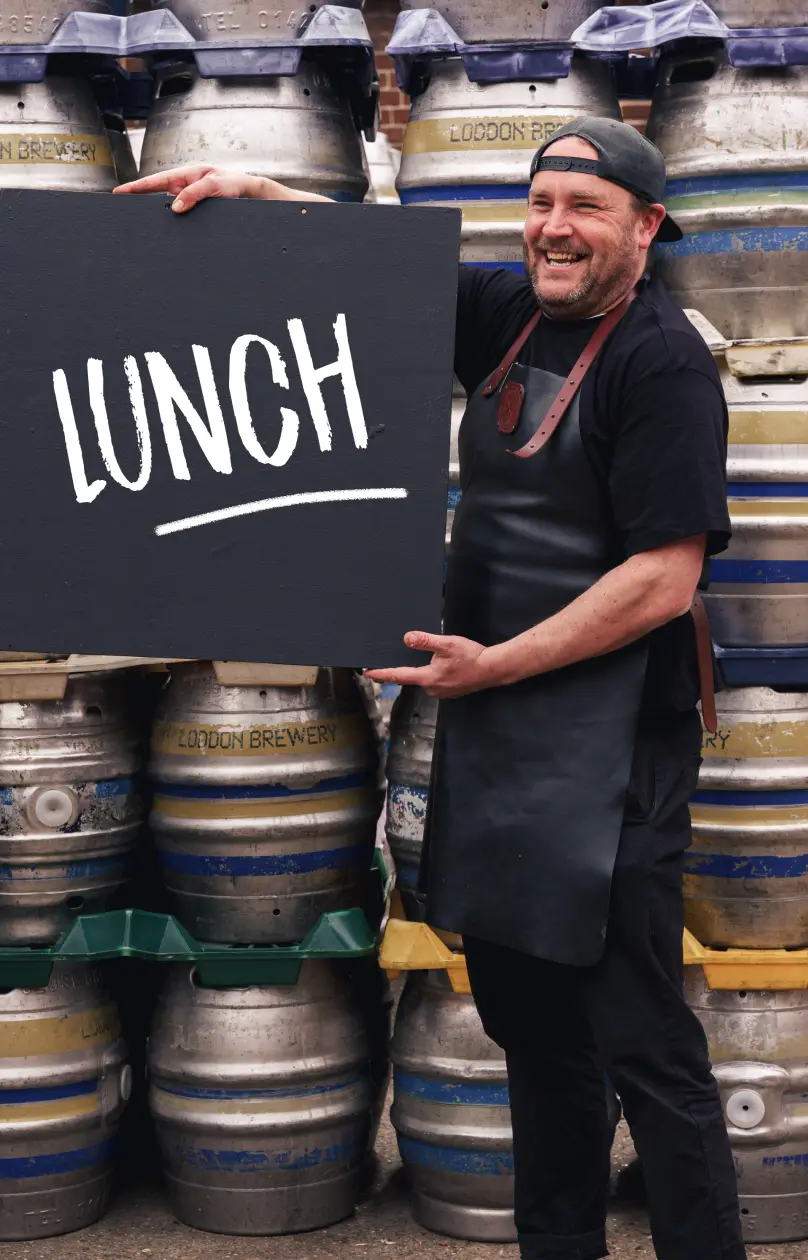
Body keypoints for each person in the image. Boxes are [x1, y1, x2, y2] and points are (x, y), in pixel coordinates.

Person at [115, 118, 746, 1260]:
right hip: (501, 734)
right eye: (541, 202)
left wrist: (493, 663)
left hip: (612, 754)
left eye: (586, 210)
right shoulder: (510, 313)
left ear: (644, 228)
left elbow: (662, 578)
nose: (554, 228)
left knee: (642, 1042)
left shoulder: (660, 362)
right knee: (533, 1031)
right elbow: (373, 269)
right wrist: (258, 195)